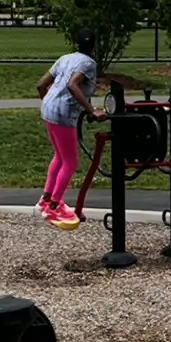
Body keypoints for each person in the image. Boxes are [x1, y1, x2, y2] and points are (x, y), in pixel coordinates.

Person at [35, 28, 106, 229]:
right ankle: (54, 206)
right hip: (63, 114)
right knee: (70, 161)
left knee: (59, 156)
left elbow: (41, 85)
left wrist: (50, 104)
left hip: (47, 109)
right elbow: (73, 85)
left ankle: (45, 200)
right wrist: (92, 110)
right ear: (94, 45)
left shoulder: (64, 58)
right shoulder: (89, 63)